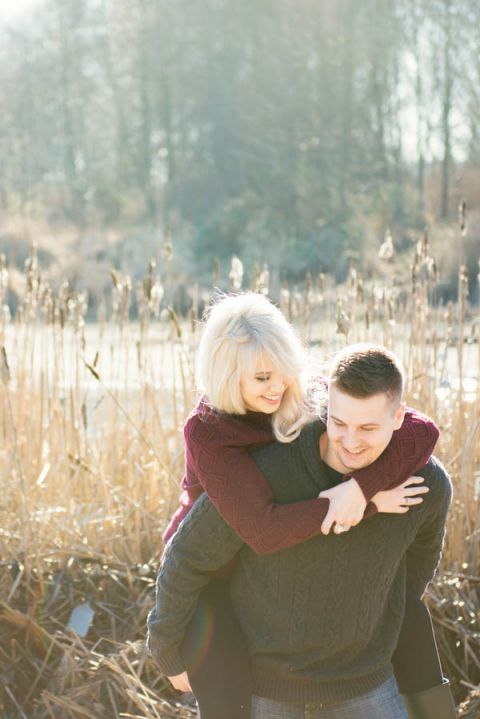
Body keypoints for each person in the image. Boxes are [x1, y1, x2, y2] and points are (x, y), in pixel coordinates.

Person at [151, 294, 451, 718]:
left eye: (284, 372)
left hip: (358, 668)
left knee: (411, 626)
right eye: (261, 378)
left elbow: (423, 431)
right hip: (218, 572)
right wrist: (361, 503)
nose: (277, 386)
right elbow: (260, 530)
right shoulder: (210, 435)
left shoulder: (306, 401)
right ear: (227, 376)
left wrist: (361, 487)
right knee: (225, 700)